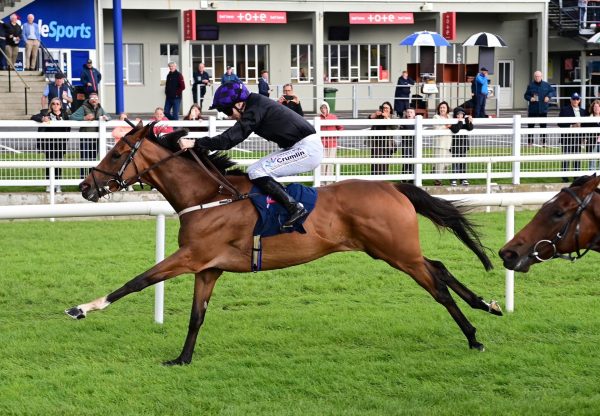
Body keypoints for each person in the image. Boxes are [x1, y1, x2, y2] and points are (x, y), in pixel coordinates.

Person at [160, 81, 322, 229]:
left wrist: (195, 142)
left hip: (307, 149)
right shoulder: (255, 104)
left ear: (239, 103)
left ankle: (295, 208)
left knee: (257, 171)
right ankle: (282, 206)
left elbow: (228, 140)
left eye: (226, 110)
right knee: (255, 170)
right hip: (298, 146)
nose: (228, 115)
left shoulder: (255, 108)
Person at [31, 97, 70, 192]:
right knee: (49, 163)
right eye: (53, 104)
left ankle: (58, 185)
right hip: (49, 143)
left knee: (58, 164)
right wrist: (42, 118)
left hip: (61, 143)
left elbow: (69, 126)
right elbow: (33, 117)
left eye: (57, 104)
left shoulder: (64, 114)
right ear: (51, 105)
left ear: (61, 105)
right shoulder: (46, 113)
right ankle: (49, 184)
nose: (55, 105)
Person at [70, 92, 111, 178]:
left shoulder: (100, 108)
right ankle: (83, 179)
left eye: (96, 99)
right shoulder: (83, 107)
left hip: (97, 138)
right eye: (92, 98)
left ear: (98, 100)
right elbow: (72, 117)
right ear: (89, 99)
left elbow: (109, 116)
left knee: (93, 159)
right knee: (85, 158)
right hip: (86, 137)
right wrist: (84, 118)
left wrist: (106, 118)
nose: (94, 100)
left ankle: (91, 179)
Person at [558, 92, 589, 182]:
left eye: (577, 99)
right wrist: (571, 126)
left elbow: (586, 125)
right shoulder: (565, 109)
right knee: (566, 157)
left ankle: (577, 176)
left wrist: (584, 136)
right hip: (567, 137)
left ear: (579, 100)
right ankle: (565, 176)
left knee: (577, 157)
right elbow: (560, 123)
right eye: (574, 99)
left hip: (578, 137)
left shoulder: (583, 111)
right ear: (570, 100)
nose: (575, 101)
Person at [524, 70, 555, 146]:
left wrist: (548, 96)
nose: (537, 77)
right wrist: (530, 98)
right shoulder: (530, 85)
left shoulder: (546, 85)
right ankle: (530, 142)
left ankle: (544, 142)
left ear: (541, 76)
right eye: (536, 76)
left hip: (543, 109)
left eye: (539, 76)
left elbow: (553, 92)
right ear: (534, 77)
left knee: (543, 126)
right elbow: (526, 95)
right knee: (531, 126)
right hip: (533, 109)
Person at [367, 101, 398, 175]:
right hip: (376, 143)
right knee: (375, 162)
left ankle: (383, 178)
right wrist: (372, 116)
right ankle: (374, 179)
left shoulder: (392, 117)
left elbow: (395, 127)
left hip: (387, 143)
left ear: (390, 109)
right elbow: (368, 120)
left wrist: (387, 117)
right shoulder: (378, 116)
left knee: (385, 162)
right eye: (383, 108)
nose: (385, 109)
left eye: (387, 108)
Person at [319, 101, 343, 184]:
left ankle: (329, 182)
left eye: (324, 107)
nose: (323, 109)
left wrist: (336, 136)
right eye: (321, 108)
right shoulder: (318, 118)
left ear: (328, 108)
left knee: (330, 163)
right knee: (322, 163)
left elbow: (340, 128)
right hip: (322, 144)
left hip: (332, 144)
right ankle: (321, 182)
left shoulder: (333, 117)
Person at [450, 107, 474, 186]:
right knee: (455, 162)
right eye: (458, 114)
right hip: (455, 146)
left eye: (462, 114)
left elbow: (470, 128)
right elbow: (455, 130)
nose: (460, 116)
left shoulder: (465, 121)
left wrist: (468, 120)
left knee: (463, 162)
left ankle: (463, 178)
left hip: (463, 145)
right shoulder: (452, 121)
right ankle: (453, 179)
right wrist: (460, 121)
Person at [432, 101, 453, 186]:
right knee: (440, 163)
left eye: (444, 107)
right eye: (441, 107)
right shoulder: (436, 117)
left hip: (448, 143)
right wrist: (446, 126)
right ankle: (438, 180)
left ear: (447, 109)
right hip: (440, 143)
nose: (442, 109)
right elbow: (436, 129)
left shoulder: (450, 117)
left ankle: (435, 171)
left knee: (447, 162)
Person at [399, 107, 416, 178]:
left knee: (413, 160)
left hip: (414, 144)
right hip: (405, 144)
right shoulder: (403, 121)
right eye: (408, 112)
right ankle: (404, 177)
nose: (409, 114)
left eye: (411, 112)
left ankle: (411, 177)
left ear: (414, 114)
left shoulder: (416, 122)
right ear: (406, 113)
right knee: (405, 160)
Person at [587, 99, 600, 170]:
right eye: (595, 107)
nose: (596, 108)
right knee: (592, 163)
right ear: (592, 108)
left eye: (598, 107)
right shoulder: (589, 118)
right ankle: (593, 179)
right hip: (593, 142)